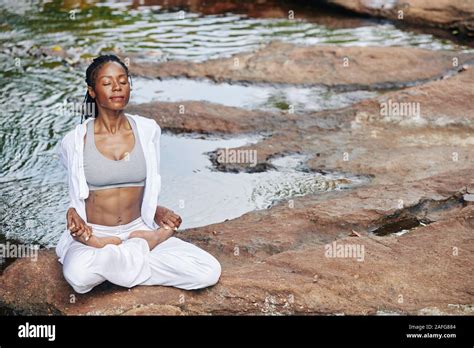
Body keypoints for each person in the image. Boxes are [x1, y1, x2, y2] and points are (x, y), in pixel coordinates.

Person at [55, 54, 221, 294]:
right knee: (78, 276)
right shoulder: (75, 140)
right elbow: (74, 181)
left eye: (123, 81)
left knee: (207, 271)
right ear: (92, 91)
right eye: (107, 82)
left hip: (138, 228)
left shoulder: (147, 130)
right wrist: (74, 211)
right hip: (95, 235)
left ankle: (121, 261)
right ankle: (137, 252)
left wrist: (154, 210)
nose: (117, 88)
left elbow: (148, 183)